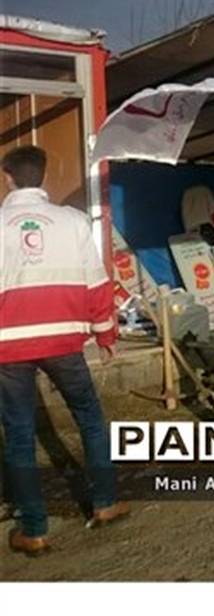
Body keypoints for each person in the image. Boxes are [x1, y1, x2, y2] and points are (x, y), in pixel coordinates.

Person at [0, 146, 129, 555]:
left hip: (7, 346)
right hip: (64, 341)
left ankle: (34, 530)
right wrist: (106, 335)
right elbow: (97, 282)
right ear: (43, 177)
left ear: (8, 178)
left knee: (19, 434)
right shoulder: (73, 221)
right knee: (90, 419)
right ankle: (105, 504)